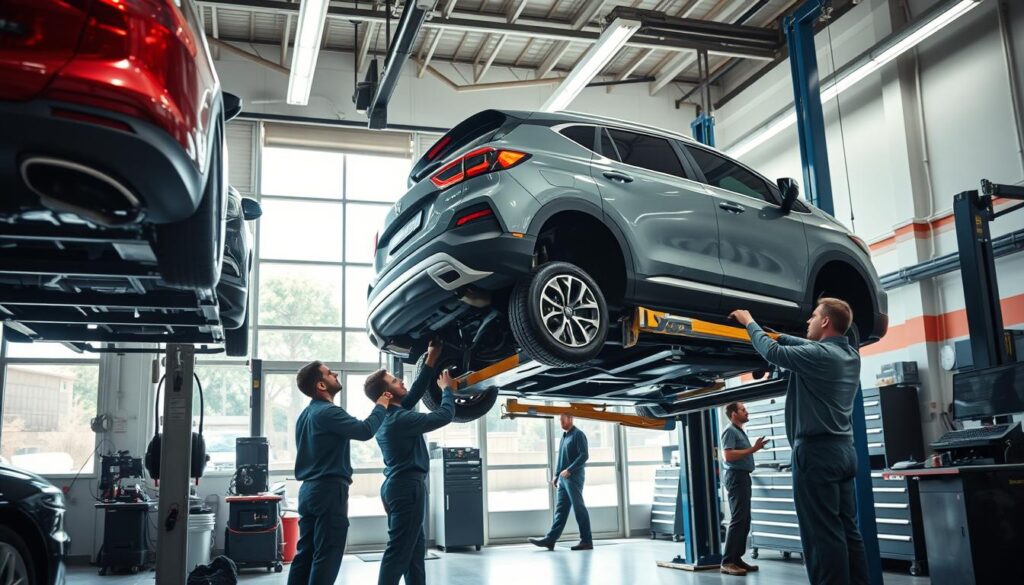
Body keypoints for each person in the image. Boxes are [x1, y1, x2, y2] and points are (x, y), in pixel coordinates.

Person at [729, 298, 868, 585]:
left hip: (817, 455)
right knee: (847, 530)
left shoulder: (819, 356)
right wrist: (777, 333)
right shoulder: (851, 356)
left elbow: (773, 352)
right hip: (844, 452)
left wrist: (749, 323)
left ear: (826, 322)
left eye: (814, 316)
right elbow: (797, 344)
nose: (809, 321)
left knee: (821, 536)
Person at [288, 362, 393, 585]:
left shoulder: (306, 414)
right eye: (329, 373)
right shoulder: (327, 411)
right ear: (320, 384)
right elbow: (364, 431)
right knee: (328, 554)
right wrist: (381, 405)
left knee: (305, 554)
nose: (334, 374)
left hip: (308, 491)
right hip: (328, 490)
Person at [363, 340, 455, 585]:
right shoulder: (400, 420)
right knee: (399, 551)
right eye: (395, 381)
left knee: (413, 552)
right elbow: (444, 415)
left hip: (398, 486)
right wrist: (447, 389)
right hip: (407, 488)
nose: (400, 381)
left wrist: (431, 360)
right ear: (387, 393)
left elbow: (414, 391)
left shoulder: (388, 414)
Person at [529, 414, 592, 551]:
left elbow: (584, 455)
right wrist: (557, 476)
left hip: (574, 477)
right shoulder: (564, 436)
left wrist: (569, 470)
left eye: (563, 418)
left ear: (571, 418)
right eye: (559, 419)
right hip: (563, 479)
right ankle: (550, 540)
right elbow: (561, 458)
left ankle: (587, 541)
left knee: (578, 508)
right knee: (561, 511)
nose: (560, 421)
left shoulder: (578, 434)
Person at [720, 401, 767, 577]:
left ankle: (736, 558)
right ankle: (727, 562)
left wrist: (753, 449)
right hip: (736, 477)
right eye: (743, 410)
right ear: (733, 414)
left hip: (742, 477)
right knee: (739, 519)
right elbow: (728, 455)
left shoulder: (738, 431)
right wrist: (753, 449)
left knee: (745, 519)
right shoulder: (729, 431)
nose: (746, 412)